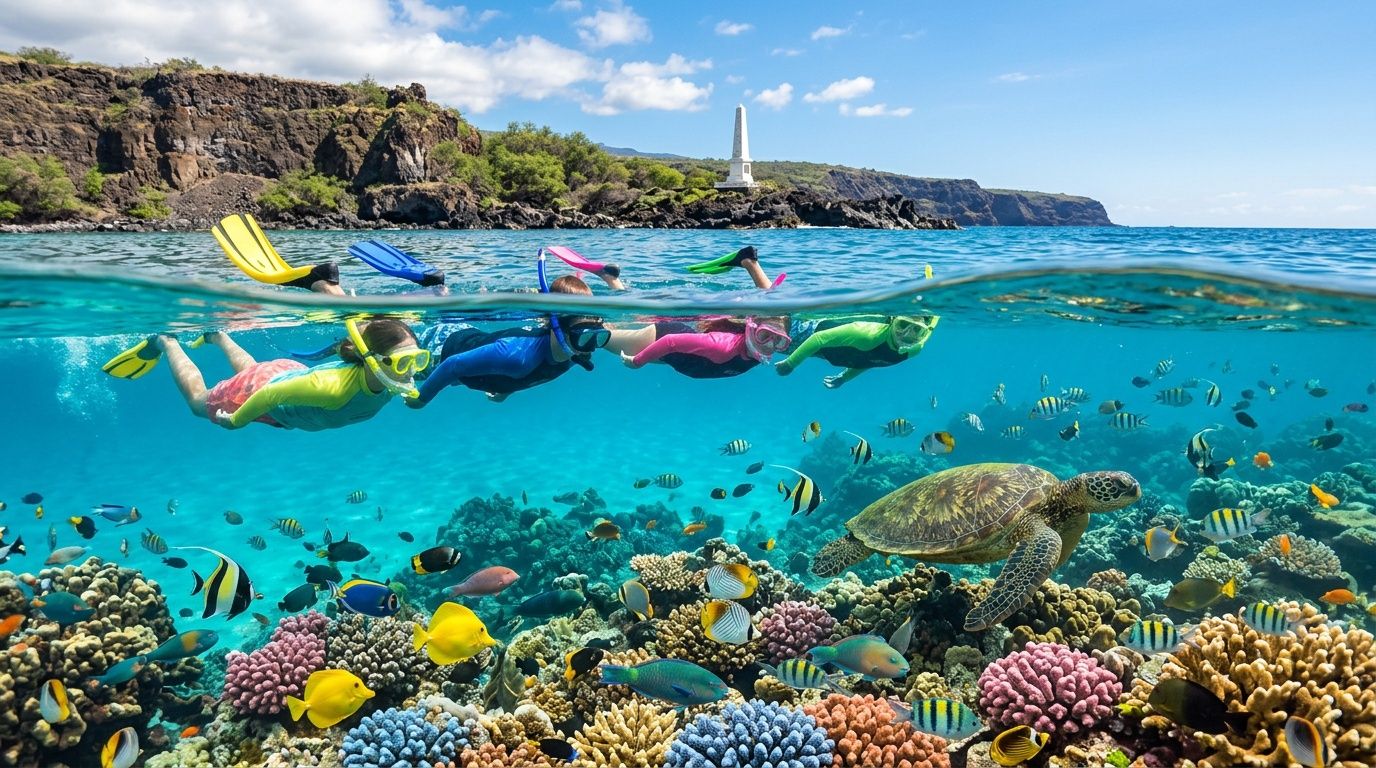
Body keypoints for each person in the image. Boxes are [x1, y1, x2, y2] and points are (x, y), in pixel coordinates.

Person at [101, 319, 426, 431]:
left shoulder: (393, 381)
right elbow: (271, 394)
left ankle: (217, 335)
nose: (411, 369)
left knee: (252, 371)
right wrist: (236, 420)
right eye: (402, 362)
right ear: (371, 360)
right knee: (198, 404)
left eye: (417, 359)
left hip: (289, 380)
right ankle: (166, 341)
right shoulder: (332, 389)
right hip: (264, 391)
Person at [408, 271, 611, 406]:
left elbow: (528, 373)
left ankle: (440, 294)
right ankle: (427, 297)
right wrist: (421, 399)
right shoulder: (516, 356)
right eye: (584, 337)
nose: (591, 348)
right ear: (558, 328)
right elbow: (453, 365)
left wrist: (505, 389)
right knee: (395, 366)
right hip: (440, 348)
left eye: (597, 337)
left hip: (467, 343)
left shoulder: (573, 352)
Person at [775, 315, 939, 388]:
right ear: (892, 320)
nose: (907, 335)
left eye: (917, 330)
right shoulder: (866, 334)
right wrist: (791, 364)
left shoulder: (914, 349)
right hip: (808, 332)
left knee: (769, 345)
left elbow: (872, 359)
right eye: (902, 325)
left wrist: (844, 377)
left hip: (820, 352)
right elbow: (819, 338)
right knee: (766, 332)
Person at [618, 316, 791, 379]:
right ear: (751, 329)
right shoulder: (722, 346)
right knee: (604, 338)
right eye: (764, 335)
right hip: (660, 339)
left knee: (609, 333)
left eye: (779, 340)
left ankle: (611, 277)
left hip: (670, 357)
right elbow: (670, 341)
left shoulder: (757, 354)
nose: (770, 344)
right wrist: (637, 362)